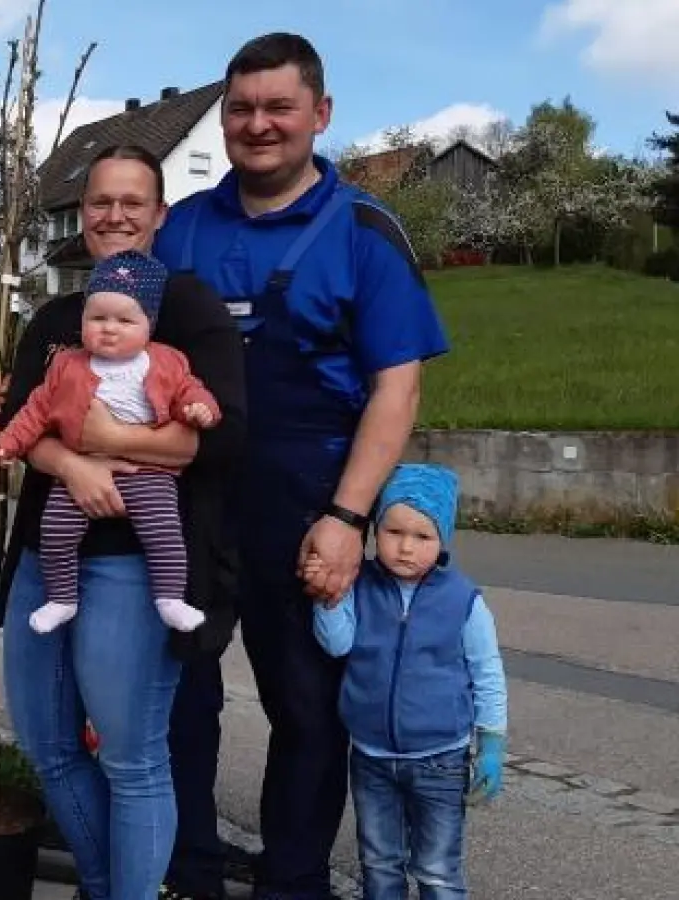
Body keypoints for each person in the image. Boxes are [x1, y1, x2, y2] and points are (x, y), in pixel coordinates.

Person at [152, 33, 450, 900]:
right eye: (241, 109)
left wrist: (348, 518)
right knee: (180, 701)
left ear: (320, 114)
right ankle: (188, 873)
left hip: (310, 506)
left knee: (309, 710)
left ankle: (293, 881)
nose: (258, 125)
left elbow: (397, 389)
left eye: (279, 107)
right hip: (193, 504)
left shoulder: (363, 230)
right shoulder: (184, 227)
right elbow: (118, 349)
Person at [0, 144, 246, 900]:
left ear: (160, 214)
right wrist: (73, 465)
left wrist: (113, 440)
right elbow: (25, 425)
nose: (114, 215)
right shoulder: (55, 319)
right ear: (82, 213)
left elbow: (225, 434)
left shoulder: (190, 308)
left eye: (133, 202)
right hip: (46, 555)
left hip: (137, 563)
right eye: (100, 201)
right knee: (49, 745)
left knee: (132, 758)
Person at [0, 249, 220, 635]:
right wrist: (9, 442)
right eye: (97, 318)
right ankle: (61, 598)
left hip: (147, 471)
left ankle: (170, 599)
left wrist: (201, 410)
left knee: (164, 530)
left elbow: (190, 392)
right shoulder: (67, 365)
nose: (109, 328)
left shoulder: (167, 361)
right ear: (82, 320)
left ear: (148, 325)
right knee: (56, 530)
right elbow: (36, 410)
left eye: (124, 320)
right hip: (78, 470)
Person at [312, 463, 507, 899]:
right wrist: (328, 596)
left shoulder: (463, 601)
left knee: (437, 871)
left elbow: (487, 673)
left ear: (443, 540)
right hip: (371, 757)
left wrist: (492, 743)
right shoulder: (360, 585)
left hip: (440, 760)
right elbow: (337, 644)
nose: (405, 548)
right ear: (374, 530)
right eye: (393, 531)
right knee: (379, 863)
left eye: (422, 536)